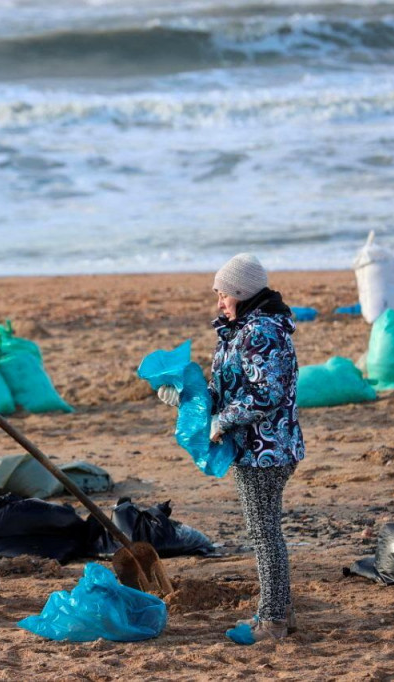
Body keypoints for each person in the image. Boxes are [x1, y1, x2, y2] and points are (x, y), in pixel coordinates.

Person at [158, 253, 305, 644]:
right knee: (265, 531)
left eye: (223, 294)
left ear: (241, 292)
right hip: (254, 448)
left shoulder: (261, 332)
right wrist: (186, 397)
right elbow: (227, 391)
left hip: (267, 449)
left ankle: (272, 621)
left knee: (264, 534)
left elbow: (267, 395)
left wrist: (221, 423)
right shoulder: (238, 329)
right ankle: (281, 614)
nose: (219, 302)